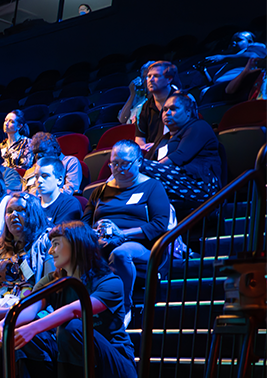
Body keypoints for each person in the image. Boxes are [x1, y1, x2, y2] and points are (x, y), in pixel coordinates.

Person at [0, 221, 136, 378]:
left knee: (72, 326)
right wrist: (1, 327)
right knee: (28, 332)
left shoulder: (110, 282)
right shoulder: (53, 280)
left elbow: (77, 310)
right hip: (73, 364)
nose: (50, 251)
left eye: (56, 244)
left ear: (77, 245)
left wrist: (32, 328)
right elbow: (27, 309)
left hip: (116, 368)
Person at [82, 140, 171, 324]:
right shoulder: (100, 192)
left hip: (141, 245)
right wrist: (96, 234)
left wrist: (121, 233)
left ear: (139, 162)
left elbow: (159, 225)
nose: (118, 168)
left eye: (125, 163)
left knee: (121, 253)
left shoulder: (152, 187)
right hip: (102, 243)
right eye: (115, 163)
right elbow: (84, 224)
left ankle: (123, 308)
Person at [0, 193, 54, 325]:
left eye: (20, 210)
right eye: (9, 211)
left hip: (29, 316)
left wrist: (8, 312)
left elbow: (49, 291)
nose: (13, 214)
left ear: (34, 213)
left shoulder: (46, 243)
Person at [140, 93, 222, 203]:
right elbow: (149, 160)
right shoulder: (163, 139)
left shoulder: (198, 126)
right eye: (164, 110)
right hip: (170, 182)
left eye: (173, 109)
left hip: (198, 183)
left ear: (188, 112)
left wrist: (143, 168)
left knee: (136, 166)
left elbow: (179, 157)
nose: (167, 113)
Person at [135, 61, 179, 151]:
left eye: (156, 76)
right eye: (149, 76)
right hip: (152, 155)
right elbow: (139, 140)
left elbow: (187, 135)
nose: (150, 80)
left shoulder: (183, 101)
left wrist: (157, 147)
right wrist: (144, 147)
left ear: (169, 79)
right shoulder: (144, 108)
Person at [22, 132, 83, 197]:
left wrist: (43, 197)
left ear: (54, 148)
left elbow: (69, 190)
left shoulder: (70, 162)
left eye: (43, 151)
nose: (38, 156)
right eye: (35, 153)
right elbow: (23, 192)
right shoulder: (31, 170)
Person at [36, 157, 83, 227]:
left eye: (45, 176)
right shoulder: (32, 204)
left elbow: (57, 235)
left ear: (59, 180)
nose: (39, 180)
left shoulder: (70, 204)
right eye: (36, 176)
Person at [118, 61, 155, 125]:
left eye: (149, 76)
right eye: (144, 77)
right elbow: (122, 119)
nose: (146, 80)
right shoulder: (140, 97)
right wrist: (132, 94)